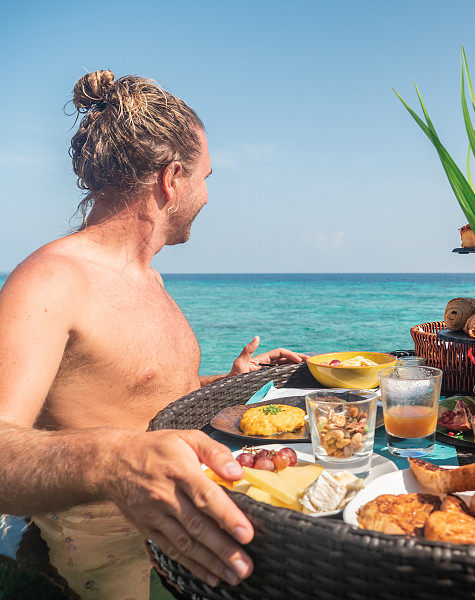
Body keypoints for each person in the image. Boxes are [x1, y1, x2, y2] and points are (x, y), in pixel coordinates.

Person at [0, 69, 307, 599]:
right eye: (207, 176)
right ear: (173, 177)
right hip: (94, 567)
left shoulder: (147, 277)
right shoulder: (55, 278)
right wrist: (114, 462)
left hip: (179, 542)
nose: (209, 196)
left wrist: (227, 381)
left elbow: (134, 398)